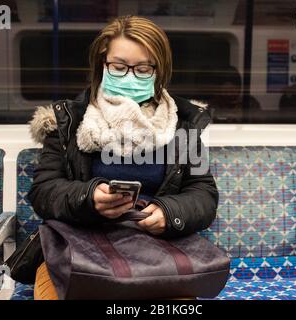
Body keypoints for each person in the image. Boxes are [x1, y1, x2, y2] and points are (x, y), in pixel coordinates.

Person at [27, 15, 218, 300]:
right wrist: (89, 198)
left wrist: (169, 213)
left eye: (142, 69)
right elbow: (42, 192)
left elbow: (204, 195)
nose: (129, 77)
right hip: (78, 251)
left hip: (158, 253)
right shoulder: (67, 121)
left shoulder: (184, 125)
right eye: (118, 67)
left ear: (159, 71)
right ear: (102, 64)